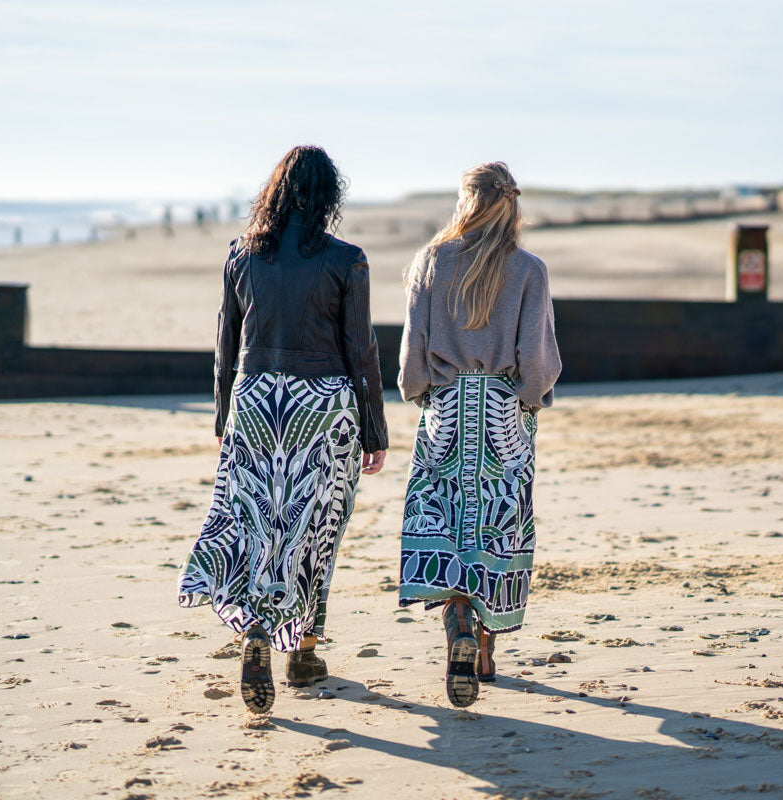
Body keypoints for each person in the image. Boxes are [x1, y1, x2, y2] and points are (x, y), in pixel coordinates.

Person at [178, 145, 388, 715]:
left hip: (254, 401)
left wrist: (225, 417)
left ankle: (257, 635)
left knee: (256, 527)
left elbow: (225, 346)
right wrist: (374, 430)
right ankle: (302, 652)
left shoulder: (240, 256)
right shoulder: (348, 260)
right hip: (322, 408)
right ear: (328, 198)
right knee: (315, 530)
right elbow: (361, 351)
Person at [397, 161, 561, 708]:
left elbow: (411, 358)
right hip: (502, 410)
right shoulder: (529, 269)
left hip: (445, 408)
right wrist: (531, 400)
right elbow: (536, 359)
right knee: (496, 522)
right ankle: (484, 649)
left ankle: (458, 617)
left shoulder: (431, 260)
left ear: (465, 201)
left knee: (444, 520)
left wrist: (420, 392)